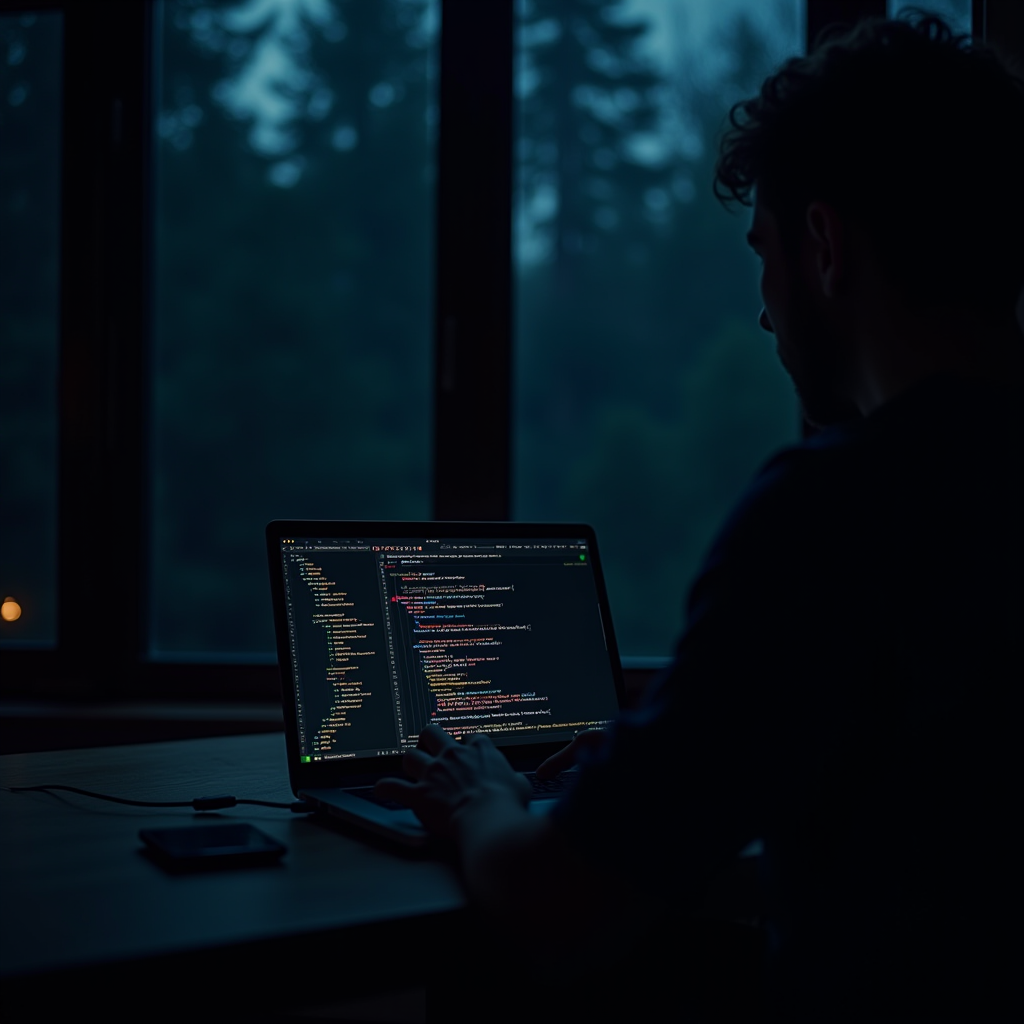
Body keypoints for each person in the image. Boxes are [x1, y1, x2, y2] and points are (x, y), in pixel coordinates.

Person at [376, 14, 1023, 1023]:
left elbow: (558, 905)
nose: (765, 309)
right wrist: (663, 741)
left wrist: (479, 797)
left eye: (763, 252)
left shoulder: (831, 516)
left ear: (822, 243)